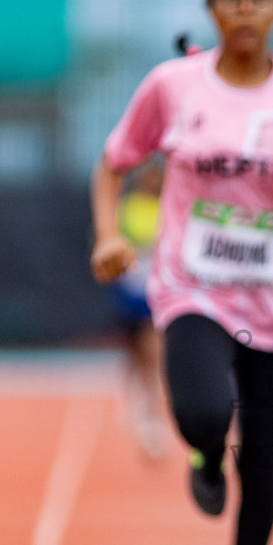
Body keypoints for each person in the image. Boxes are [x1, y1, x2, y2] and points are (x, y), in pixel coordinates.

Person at [91, 0, 273, 545]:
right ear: (211, 8)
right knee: (203, 412)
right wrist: (105, 234)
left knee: (262, 470)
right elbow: (114, 159)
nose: (244, 9)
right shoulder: (173, 84)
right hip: (192, 286)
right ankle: (198, 449)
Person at [108, 156, 170, 459]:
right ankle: (134, 400)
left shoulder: (169, 208)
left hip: (155, 294)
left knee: (154, 353)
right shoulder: (130, 207)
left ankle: (152, 416)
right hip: (130, 292)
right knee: (134, 354)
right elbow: (120, 237)